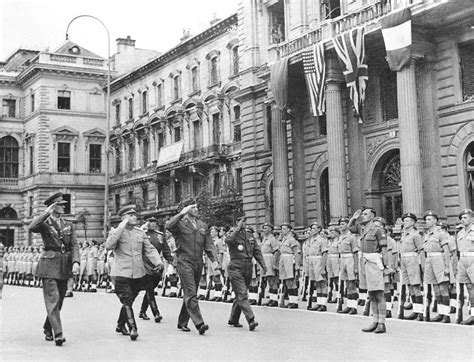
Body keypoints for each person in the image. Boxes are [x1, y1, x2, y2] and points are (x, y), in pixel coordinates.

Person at [105, 205, 163, 341]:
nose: (134, 217)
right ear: (123, 218)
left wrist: (158, 262)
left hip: (138, 273)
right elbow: (109, 245)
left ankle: (120, 324)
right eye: (130, 215)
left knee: (129, 301)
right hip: (121, 273)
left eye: (135, 215)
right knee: (126, 299)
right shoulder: (117, 232)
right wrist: (121, 227)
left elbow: (150, 250)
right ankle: (133, 328)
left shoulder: (140, 233)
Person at [29, 192, 80, 346]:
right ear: (53, 206)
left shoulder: (68, 224)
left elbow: (74, 245)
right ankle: (58, 333)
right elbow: (32, 227)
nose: (64, 206)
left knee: (60, 301)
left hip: (64, 266)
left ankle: (47, 326)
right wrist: (45, 213)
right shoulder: (45, 223)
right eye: (60, 204)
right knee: (53, 299)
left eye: (64, 204)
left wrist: (76, 262)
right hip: (49, 265)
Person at [166, 201, 219, 335]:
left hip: (198, 262)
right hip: (184, 261)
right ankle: (199, 323)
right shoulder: (180, 223)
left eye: (197, 206)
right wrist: (182, 213)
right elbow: (168, 225)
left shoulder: (202, 225)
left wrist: (214, 260)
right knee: (191, 292)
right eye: (192, 207)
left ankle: (182, 322)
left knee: (191, 292)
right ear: (186, 208)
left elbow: (209, 245)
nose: (196, 209)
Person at [349, 207, 388, 334]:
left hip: (375, 263)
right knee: (371, 294)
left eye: (365, 214)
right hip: (365, 263)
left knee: (379, 293)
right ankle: (375, 320)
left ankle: (382, 322)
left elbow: (384, 249)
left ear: (372, 217)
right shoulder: (362, 229)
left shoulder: (378, 230)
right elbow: (350, 228)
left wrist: (386, 266)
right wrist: (354, 217)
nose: (362, 215)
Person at [225, 217, 266, 330]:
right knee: (242, 293)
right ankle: (251, 319)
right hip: (236, 266)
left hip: (248, 266)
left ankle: (233, 319)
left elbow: (256, 251)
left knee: (241, 294)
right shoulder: (232, 233)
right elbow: (228, 241)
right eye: (241, 221)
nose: (243, 223)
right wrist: (237, 228)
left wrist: (263, 264)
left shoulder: (249, 235)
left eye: (244, 222)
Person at [139, 215, 173, 323]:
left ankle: (142, 311)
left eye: (154, 222)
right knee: (149, 288)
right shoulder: (142, 234)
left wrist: (171, 261)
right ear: (146, 222)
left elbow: (166, 250)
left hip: (157, 265)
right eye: (150, 221)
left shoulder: (160, 235)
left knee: (151, 289)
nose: (152, 224)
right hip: (145, 264)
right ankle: (156, 313)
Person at [422, 210, 451, 323]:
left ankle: (446, 315)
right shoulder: (427, 234)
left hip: (439, 260)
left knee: (443, 287)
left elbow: (446, 251)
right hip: (429, 260)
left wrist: (447, 266)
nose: (426, 221)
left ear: (435, 221)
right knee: (436, 289)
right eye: (426, 219)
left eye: (429, 219)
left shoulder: (440, 233)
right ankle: (441, 312)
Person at [398, 213, 424, 321]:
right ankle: (415, 310)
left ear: (413, 223)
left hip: (412, 261)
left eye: (407, 221)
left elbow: (421, 250)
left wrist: (422, 265)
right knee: (409, 286)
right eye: (404, 220)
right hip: (404, 261)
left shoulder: (416, 235)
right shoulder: (404, 234)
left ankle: (420, 313)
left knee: (416, 286)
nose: (404, 223)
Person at [456, 209, 474, 325]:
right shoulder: (460, 233)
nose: (463, 220)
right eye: (461, 218)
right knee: (469, 289)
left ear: (472, 219)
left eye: (465, 217)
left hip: (473, 260)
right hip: (463, 261)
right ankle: (473, 314)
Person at [338, 217, 359, 315]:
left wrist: (355, 267)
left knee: (352, 284)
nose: (341, 226)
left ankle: (354, 307)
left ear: (347, 225)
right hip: (343, 260)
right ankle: (349, 305)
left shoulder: (352, 237)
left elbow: (355, 253)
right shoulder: (341, 237)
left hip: (350, 259)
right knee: (347, 284)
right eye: (340, 224)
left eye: (343, 224)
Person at [306, 222, 329, 311]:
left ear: (319, 229)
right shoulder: (310, 240)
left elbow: (324, 253)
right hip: (311, 261)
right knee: (317, 283)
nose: (313, 230)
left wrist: (323, 267)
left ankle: (323, 304)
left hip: (318, 261)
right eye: (312, 228)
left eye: (315, 228)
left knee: (322, 282)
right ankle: (319, 302)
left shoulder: (321, 240)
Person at [278, 222, 301, 309]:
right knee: (287, 281)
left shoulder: (291, 240)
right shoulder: (283, 239)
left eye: (284, 228)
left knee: (292, 281)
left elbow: (296, 252)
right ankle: (291, 300)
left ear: (289, 229)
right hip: (283, 259)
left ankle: (294, 302)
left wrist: (297, 265)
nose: (282, 230)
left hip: (289, 259)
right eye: (282, 228)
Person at [260, 223, 280, 306]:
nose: (265, 230)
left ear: (271, 229)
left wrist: (275, 263)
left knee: (272, 279)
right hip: (264, 259)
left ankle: (274, 299)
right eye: (264, 228)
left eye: (267, 228)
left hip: (269, 258)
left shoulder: (272, 239)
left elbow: (276, 251)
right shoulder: (264, 238)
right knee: (268, 280)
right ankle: (271, 298)